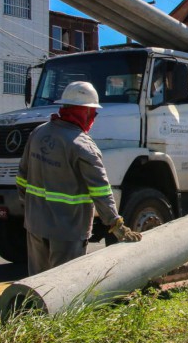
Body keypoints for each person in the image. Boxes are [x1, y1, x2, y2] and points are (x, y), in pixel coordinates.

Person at [17, 81, 141, 276]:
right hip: (67, 230)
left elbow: (22, 177)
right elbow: (100, 190)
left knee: (37, 283)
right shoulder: (83, 146)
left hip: (35, 225)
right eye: (93, 113)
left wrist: (33, 208)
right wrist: (115, 223)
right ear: (86, 113)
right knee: (64, 286)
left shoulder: (38, 133)